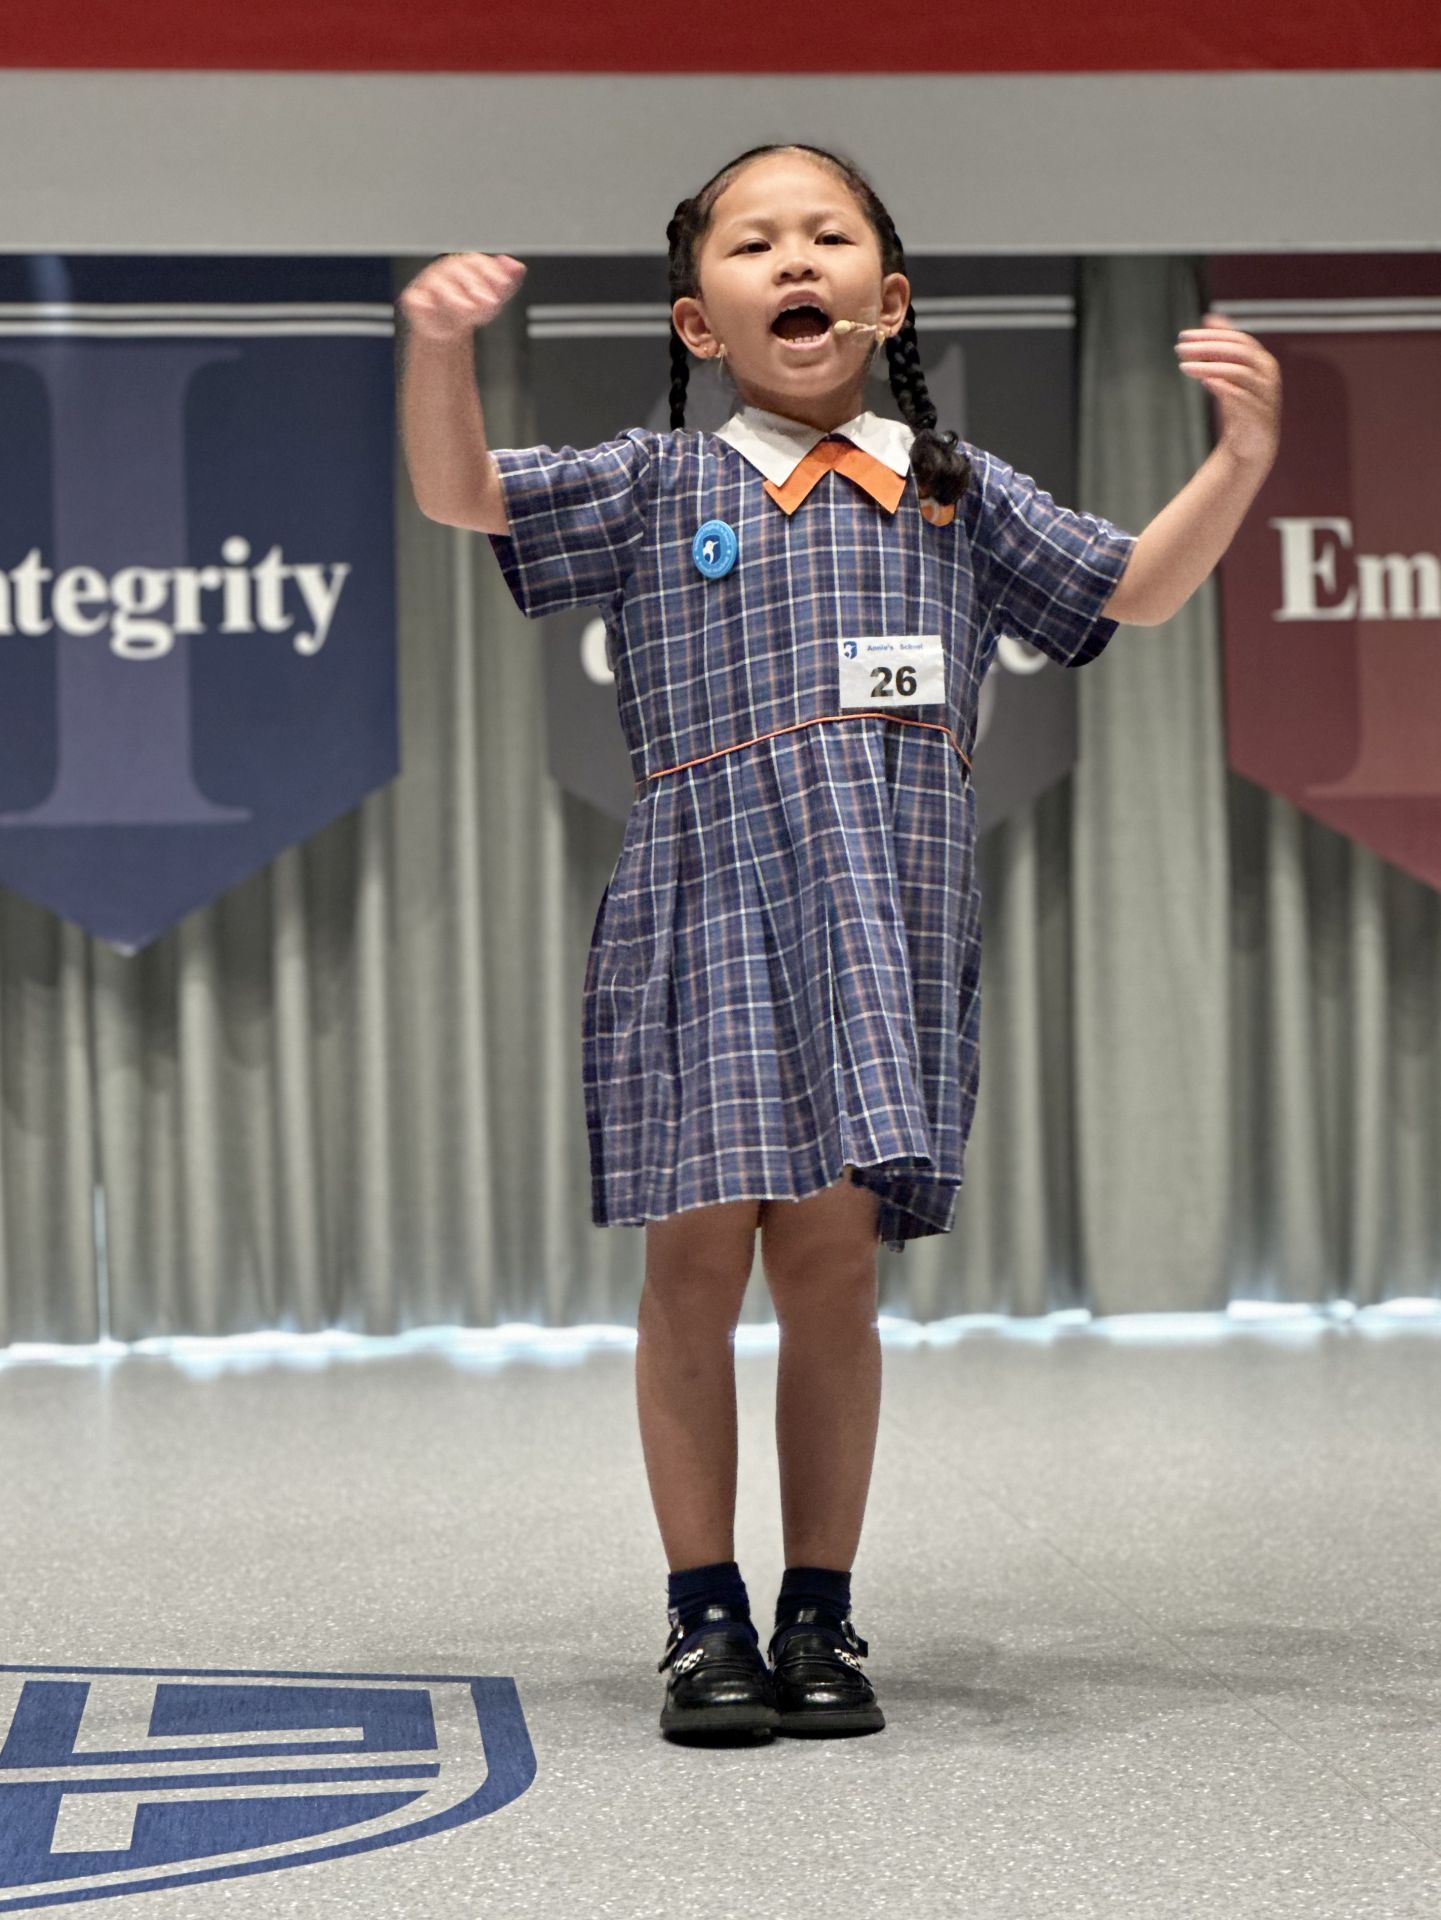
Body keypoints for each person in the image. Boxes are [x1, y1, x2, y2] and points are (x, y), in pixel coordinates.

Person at [396, 142, 1281, 1744]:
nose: (792, 259)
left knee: (830, 1272)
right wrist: (441, 347)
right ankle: (702, 1618)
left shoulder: (951, 491)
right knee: (693, 1267)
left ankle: (818, 1611)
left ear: (890, 299)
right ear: (696, 322)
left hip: (884, 912)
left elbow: (1134, 593)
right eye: (752, 244)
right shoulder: (659, 484)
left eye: (826, 236)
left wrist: (1240, 457)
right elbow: (463, 495)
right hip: (703, 907)